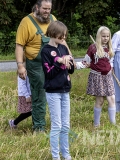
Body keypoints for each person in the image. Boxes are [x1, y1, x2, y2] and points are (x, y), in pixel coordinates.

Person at [15, 0, 73, 132]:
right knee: (40, 93)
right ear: (37, 7)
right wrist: (20, 66)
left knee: (58, 90)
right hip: (35, 64)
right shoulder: (26, 22)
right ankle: (39, 126)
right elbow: (19, 45)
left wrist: (70, 55)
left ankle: (58, 124)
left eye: (49, 9)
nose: (47, 12)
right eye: (44, 9)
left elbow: (61, 39)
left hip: (55, 62)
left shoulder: (53, 19)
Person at [41, 20, 74, 160]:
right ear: (53, 34)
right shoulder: (46, 51)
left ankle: (66, 154)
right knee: (57, 125)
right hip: (53, 92)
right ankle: (56, 156)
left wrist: (69, 62)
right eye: (61, 36)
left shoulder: (63, 48)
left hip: (65, 90)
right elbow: (48, 73)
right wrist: (59, 62)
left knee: (65, 125)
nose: (63, 39)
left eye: (65, 36)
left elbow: (71, 70)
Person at [84, 26, 116, 127]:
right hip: (97, 77)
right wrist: (86, 64)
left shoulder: (109, 48)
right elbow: (86, 61)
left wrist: (111, 68)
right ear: (99, 36)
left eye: (107, 36)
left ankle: (113, 123)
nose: (105, 38)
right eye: (103, 36)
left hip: (107, 76)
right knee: (100, 100)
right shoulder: (93, 48)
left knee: (112, 98)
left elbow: (110, 60)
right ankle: (96, 124)